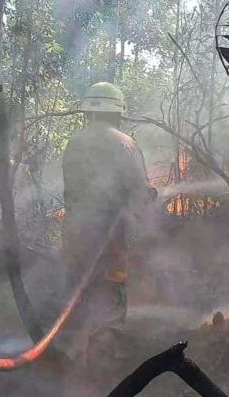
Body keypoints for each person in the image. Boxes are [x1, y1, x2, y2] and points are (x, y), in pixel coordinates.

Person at [60, 81, 153, 395]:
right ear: (119, 111)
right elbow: (138, 192)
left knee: (77, 301)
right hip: (108, 239)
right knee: (109, 304)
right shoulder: (125, 143)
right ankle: (101, 381)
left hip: (74, 235)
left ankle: (70, 372)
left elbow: (71, 190)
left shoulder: (74, 141)